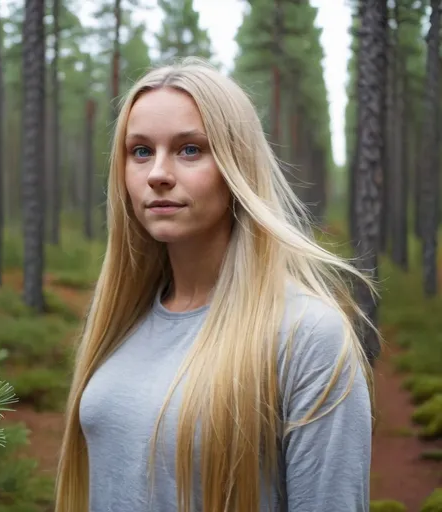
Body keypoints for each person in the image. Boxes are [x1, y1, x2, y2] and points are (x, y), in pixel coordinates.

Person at [55, 58, 377, 512]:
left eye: (189, 150)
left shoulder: (307, 335)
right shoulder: (122, 320)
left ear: (235, 167)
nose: (157, 174)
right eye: (141, 151)